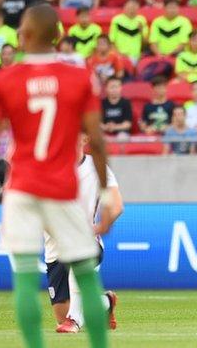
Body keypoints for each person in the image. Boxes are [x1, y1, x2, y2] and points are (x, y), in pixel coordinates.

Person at [0, 4, 111, 348]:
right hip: (61, 188)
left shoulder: (4, 79)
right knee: (86, 277)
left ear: (27, 34)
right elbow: (95, 139)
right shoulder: (80, 77)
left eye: (20, 28)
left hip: (21, 189)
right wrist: (106, 192)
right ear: (59, 35)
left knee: (23, 279)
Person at [45, 134, 122, 334]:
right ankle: (105, 302)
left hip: (86, 242)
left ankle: (75, 320)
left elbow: (117, 206)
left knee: (71, 317)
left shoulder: (98, 169)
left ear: (85, 138)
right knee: (61, 313)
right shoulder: (50, 169)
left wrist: (100, 226)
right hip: (54, 245)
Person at [109, 0, 148, 64]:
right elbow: (112, 41)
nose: (132, 9)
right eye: (130, 6)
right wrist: (118, 55)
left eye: (134, 6)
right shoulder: (117, 20)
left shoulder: (141, 20)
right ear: (124, 7)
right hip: (120, 55)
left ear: (138, 7)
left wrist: (141, 31)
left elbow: (145, 42)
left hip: (136, 56)